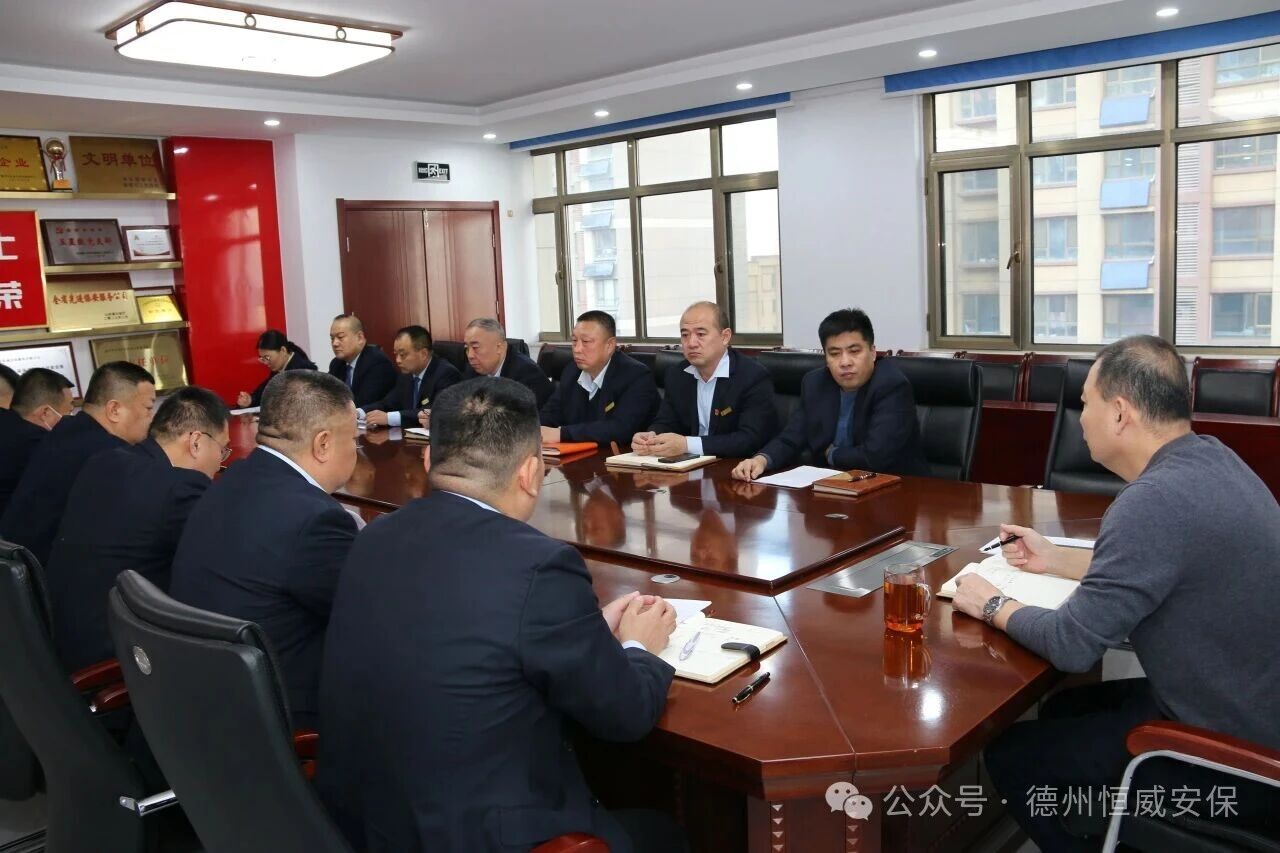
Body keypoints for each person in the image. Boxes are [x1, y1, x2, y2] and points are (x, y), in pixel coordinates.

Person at [319, 378, 684, 853]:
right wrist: (639, 647)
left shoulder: (374, 536)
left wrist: (586, 628)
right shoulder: (540, 566)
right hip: (477, 836)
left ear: (429, 460)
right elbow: (627, 715)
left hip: (367, 825)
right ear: (531, 473)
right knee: (668, 834)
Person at [951, 335, 1280, 851]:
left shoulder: (1152, 501)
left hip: (1237, 760)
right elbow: (1167, 566)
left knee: (1012, 754)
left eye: (1085, 403)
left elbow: (1072, 646)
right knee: (1064, 710)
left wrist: (991, 603)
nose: (1080, 418)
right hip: (1249, 705)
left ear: (1120, 413)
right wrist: (1055, 559)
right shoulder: (1213, 459)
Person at [169, 371, 359, 726]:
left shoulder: (232, 479)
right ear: (322, 444)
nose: (355, 449)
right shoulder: (315, 520)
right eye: (353, 438)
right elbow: (367, 612)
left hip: (205, 693)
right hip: (274, 712)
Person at [47, 386, 230, 673]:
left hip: (64, 638)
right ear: (195, 442)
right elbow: (224, 561)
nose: (221, 462)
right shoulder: (181, 489)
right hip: (117, 657)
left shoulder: (104, 461)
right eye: (222, 449)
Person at [732, 308, 928, 480]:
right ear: (825, 357)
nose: (845, 362)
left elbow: (874, 458)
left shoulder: (892, 386)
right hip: (831, 486)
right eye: (835, 354)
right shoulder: (815, 383)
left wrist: (831, 454)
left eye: (854, 351)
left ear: (873, 352)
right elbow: (792, 437)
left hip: (894, 488)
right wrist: (761, 460)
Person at [1, 362, 155, 566]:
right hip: (49, 572)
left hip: (21, 564)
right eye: (148, 408)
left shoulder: (65, 431)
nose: (151, 418)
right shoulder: (109, 454)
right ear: (114, 409)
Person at [633, 302, 778, 460]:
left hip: (735, 465)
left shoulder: (752, 376)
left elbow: (750, 439)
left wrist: (687, 444)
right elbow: (667, 421)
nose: (691, 343)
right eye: (685, 335)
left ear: (725, 337)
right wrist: (652, 436)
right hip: (687, 466)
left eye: (701, 334)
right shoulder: (677, 374)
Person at [539, 310, 658, 446]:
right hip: (580, 454)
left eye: (586, 341)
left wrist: (562, 433)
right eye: (574, 341)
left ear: (610, 345)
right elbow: (549, 414)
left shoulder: (636, 376)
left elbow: (621, 429)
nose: (577, 349)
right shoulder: (571, 371)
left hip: (623, 455)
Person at [0, 368, 74, 518]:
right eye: (69, 411)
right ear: (45, 412)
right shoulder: (38, 443)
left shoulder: (10, 427)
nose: (71, 417)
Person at [361, 325, 460, 429]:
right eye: (396, 354)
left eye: (402, 355)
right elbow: (387, 403)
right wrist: (360, 412)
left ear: (423, 354)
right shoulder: (406, 375)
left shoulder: (446, 374)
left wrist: (389, 418)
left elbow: (433, 412)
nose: (398, 360)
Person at [458, 317, 552, 407]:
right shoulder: (472, 370)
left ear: (499, 347)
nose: (470, 355)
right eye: (467, 348)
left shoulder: (527, 374)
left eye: (475, 347)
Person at [326, 313, 397, 408]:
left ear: (360, 338)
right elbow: (328, 397)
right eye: (332, 338)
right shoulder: (336, 364)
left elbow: (365, 402)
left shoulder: (377, 362)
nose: (335, 343)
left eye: (340, 337)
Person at [237, 329, 317, 408]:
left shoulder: (303, 371)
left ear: (283, 350)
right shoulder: (279, 369)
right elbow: (264, 392)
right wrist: (250, 400)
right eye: (262, 358)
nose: (265, 363)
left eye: (267, 357)